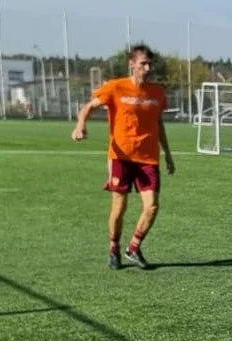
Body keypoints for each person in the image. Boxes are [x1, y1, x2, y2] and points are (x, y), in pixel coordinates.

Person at [72, 44, 175, 270]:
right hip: (121, 156)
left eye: (150, 64)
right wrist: (81, 125)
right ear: (132, 64)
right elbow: (88, 106)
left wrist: (167, 153)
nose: (147, 68)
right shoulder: (116, 87)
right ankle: (114, 248)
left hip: (148, 158)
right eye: (143, 64)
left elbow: (159, 123)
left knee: (152, 206)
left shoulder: (157, 92)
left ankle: (134, 247)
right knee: (119, 207)